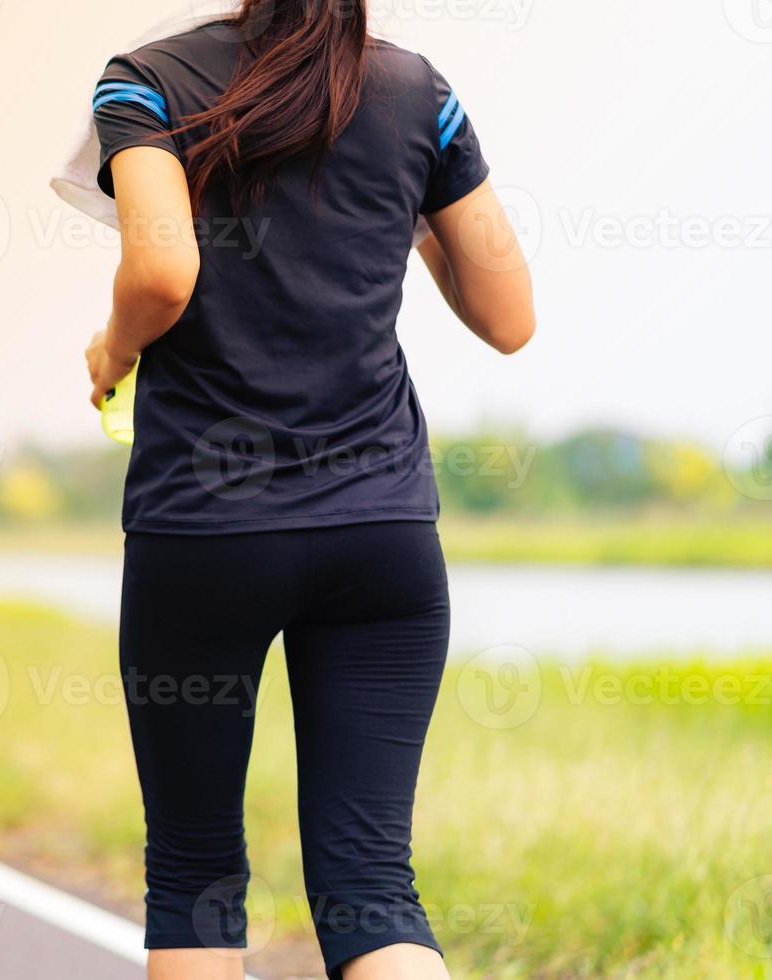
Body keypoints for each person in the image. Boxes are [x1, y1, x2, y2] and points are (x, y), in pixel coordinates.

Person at [83, 3, 535, 979]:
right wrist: (404, 197)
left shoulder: (149, 79)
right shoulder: (421, 93)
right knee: (370, 882)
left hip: (206, 530)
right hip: (380, 531)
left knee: (195, 873)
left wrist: (109, 350)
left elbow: (161, 272)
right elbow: (509, 316)